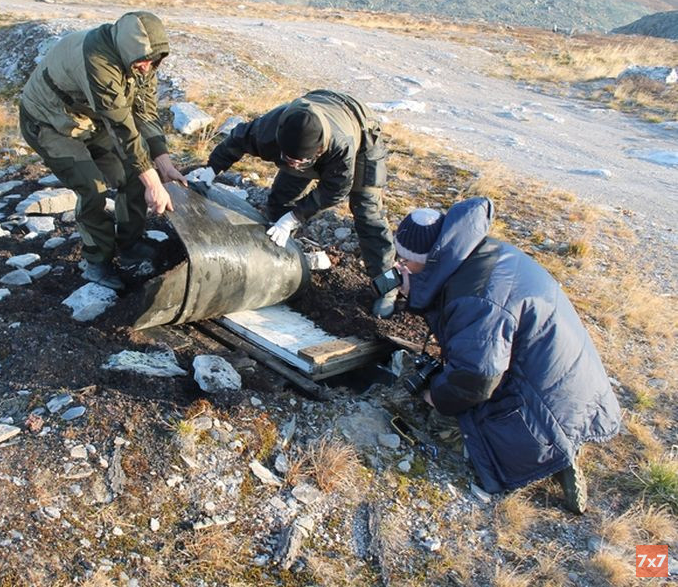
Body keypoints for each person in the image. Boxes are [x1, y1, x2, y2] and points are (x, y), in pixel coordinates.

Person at [391, 197, 621, 514]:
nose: (399, 267)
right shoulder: (479, 255)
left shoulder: (478, 300)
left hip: (543, 406)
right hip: (573, 384)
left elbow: (475, 378)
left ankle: (552, 453)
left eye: (406, 262)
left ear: (431, 261)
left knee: (440, 416)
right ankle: (560, 445)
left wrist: (437, 397)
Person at [19, 11, 186, 290]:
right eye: (143, 61)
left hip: (91, 120)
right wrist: (154, 183)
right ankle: (97, 261)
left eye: (153, 61)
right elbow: (122, 126)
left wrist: (164, 164)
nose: (147, 68)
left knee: (135, 175)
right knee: (92, 187)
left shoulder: (144, 63)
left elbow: (145, 113)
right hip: (49, 122)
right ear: (126, 50)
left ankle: (130, 244)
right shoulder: (98, 59)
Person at [205, 89, 396, 317]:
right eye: (289, 160)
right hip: (317, 112)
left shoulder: (341, 146)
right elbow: (237, 139)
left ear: (317, 151)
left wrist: (296, 217)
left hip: (360, 131)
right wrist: (211, 168)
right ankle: (282, 265)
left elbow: (336, 189)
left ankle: (388, 286)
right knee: (280, 201)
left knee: (368, 213)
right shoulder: (271, 128)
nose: (294, 165)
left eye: (300, 161)